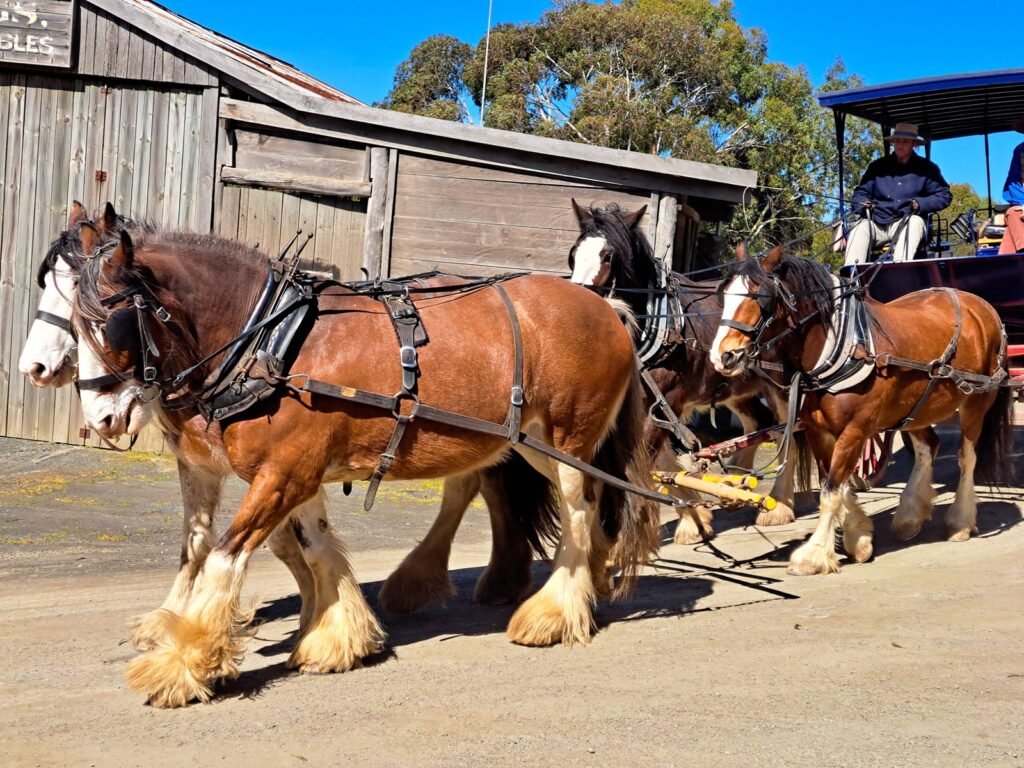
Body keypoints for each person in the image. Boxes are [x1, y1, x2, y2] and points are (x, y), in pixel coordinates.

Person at [844, 122, 952, 266]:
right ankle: (852, 277)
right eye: (898, 141)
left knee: (915, 222)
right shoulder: (877, 167)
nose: (900, 145)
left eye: (905, 141)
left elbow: (944, 195)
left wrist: (920, 204)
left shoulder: (927, 169)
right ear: (894, 141)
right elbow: (860, 192)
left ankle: (900, 269)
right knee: (859, 227)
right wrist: (863, 203)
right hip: (877, 223)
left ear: (913, 143)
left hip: (906, 221)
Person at [998, 118, 1024, 255]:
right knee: (1013, 214)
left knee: (1012, 218)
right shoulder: (1019, 150)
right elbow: (1013, 185)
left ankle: (1005, 266)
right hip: (1022, 207)